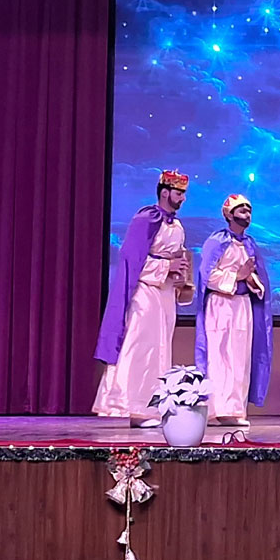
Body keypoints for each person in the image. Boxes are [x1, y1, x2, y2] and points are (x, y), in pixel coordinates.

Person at [93, 170, 196, 427]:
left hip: (165, 294)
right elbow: (132, 260)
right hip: (145, 293)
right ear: (165, 192)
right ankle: (130, 405)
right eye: (178, 193)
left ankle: (152, 408)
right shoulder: (147, 218)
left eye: (184, 193)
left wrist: (181, 275)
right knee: (140, 347)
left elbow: (176, 259)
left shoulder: (177, 226)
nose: (183, 198)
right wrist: (166, 267)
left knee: (160, 349)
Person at [194, 194, 272, 427]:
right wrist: (236, 276)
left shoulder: (250, 244)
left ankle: (235, 409)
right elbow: (207, 276)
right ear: (229, 214)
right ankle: (216, 410)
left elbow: (254, 276)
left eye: (249, 211)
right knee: (220, 356)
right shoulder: (217, 241)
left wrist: (251, 280)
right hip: (220, 305)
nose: (247, 215)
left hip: (242, 306)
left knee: (240, 358)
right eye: (242, 211)